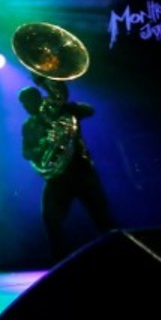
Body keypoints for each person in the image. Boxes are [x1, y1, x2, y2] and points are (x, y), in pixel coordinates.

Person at [19, 76, 115, 263]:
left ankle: (116, 256)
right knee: (50, 219)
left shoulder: (62, 111)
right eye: (23, 103)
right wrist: (43, 145)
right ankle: (60, 263)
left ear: (38, 98)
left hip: (82, 171)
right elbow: (26, 153)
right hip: (57, 178)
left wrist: (66, 106)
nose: (26, 106)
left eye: (28, 101)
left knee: (102, 218)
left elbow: (90, 110)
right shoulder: (28, 126)